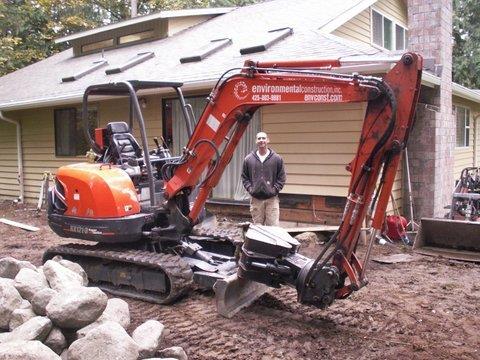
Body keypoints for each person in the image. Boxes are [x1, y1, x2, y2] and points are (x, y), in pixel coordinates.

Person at [241, 131, 286, 226]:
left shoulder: (277, 159)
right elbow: (245, 177)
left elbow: (281, 177)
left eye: (263, 138)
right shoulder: (248, 159)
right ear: (256, 141)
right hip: (256, 200)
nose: (261, 140)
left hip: (272, 200)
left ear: (268, 140)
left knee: (273, 229)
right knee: (258, 229)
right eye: (259, 138)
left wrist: (274, 190)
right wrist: (251, 189)